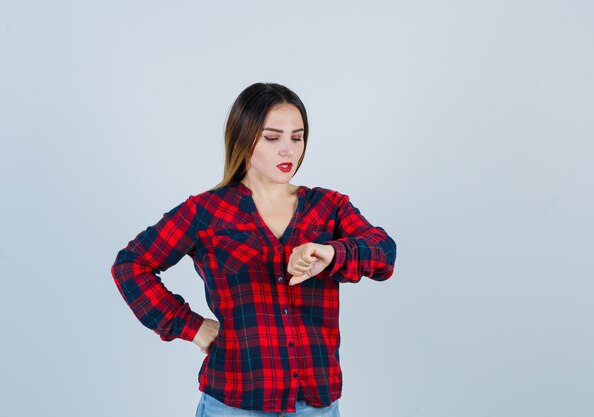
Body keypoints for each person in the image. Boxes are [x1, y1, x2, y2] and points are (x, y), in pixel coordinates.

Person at [110, 82, 397, 416]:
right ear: (244, 139)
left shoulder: (329, 207)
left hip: (316, 405)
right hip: (235, 403)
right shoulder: (206, 212)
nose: (288, 150)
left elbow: (384, 253)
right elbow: (131, 265)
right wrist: (190, 325)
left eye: (297, 137)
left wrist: (331, 253)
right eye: (273, 138)